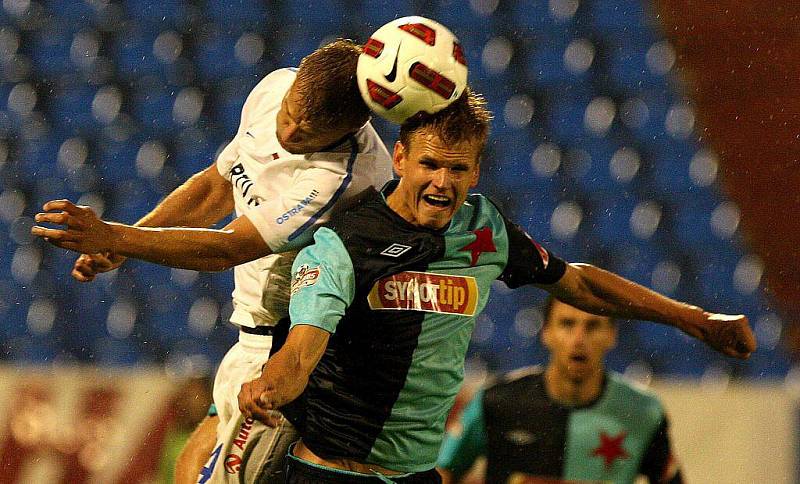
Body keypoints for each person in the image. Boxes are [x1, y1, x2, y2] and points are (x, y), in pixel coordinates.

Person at [236, 90, 755, 482]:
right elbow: (302, 352)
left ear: (477, 171)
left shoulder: (484, 229)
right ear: (399, 160)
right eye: (429, 165)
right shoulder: (345, 244)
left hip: (413, 475)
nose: (442, 182)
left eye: (457, 169)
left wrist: (696, 320)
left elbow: (576, 283)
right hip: (333, 472)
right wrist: (270, 386)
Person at [31, 39, 393, 483]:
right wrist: (128, 240)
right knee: (188, 468)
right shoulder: (274, 87)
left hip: (291, 353)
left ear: (349, 129)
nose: (290, 131)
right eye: (291, 113)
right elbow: (217, 186)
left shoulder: (343, 176)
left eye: (308, 130)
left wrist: (114, 234)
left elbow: (228, 249)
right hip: (250, 339)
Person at [437, 297, 683, 484]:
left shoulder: (642, 412)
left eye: (593, 326)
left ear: (611, 335)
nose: (579, 339)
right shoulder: (496, 401)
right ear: (547, 333)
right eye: (567, 324)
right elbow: (442, 473)